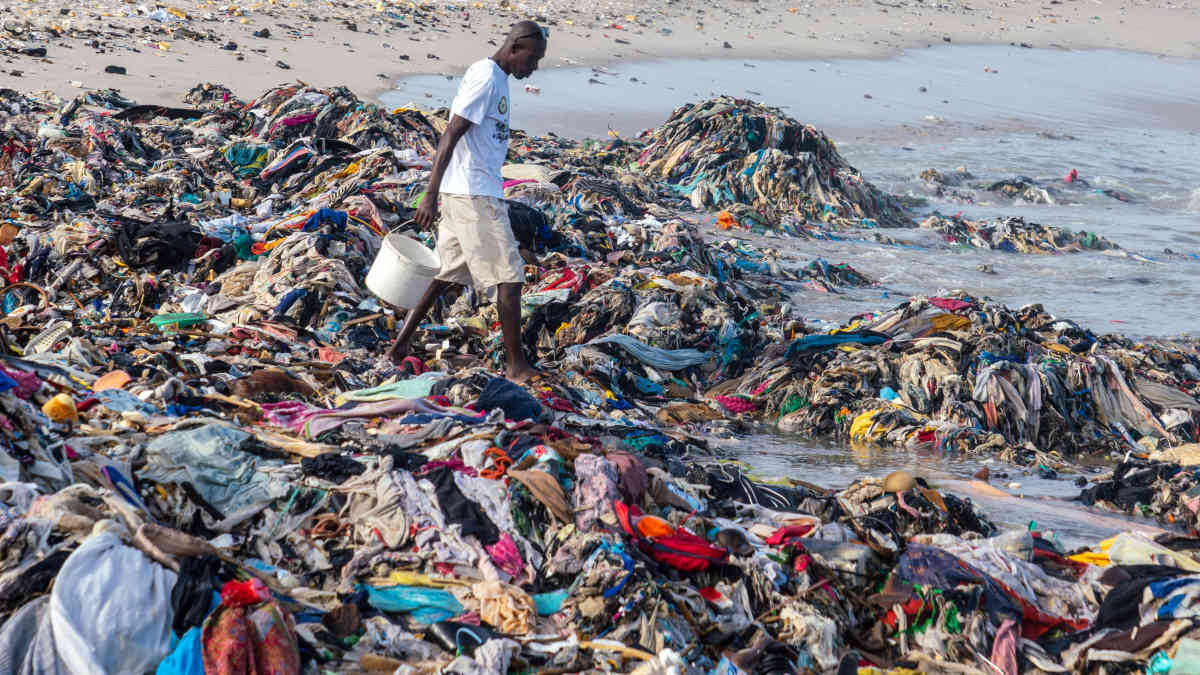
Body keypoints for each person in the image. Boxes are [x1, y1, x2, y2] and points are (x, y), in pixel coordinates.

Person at [386, 21, 547, 383]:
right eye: (533, 59)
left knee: (445, 274)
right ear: (516, 46)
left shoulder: (497, 78)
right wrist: (430, 193)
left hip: (470, 191)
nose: (534, 67)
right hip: (474, 194)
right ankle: (515, 366)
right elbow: (451, 132)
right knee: (509, 276)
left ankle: (398, 349)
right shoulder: (487, 78)